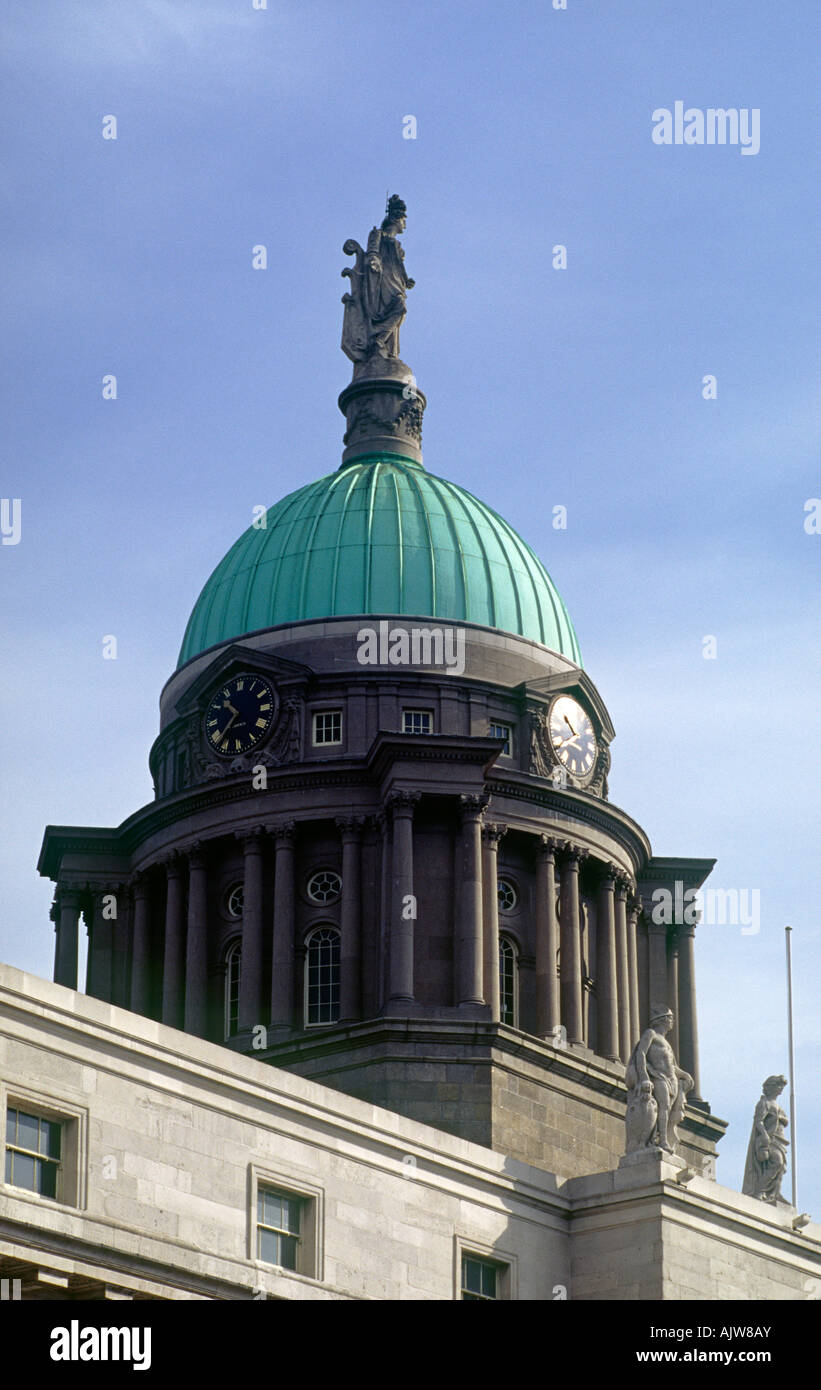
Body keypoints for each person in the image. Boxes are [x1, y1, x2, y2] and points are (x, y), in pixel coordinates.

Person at [742, 1075, 790, 1204]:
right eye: (778, 1085)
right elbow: (759, 1121)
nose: (781, 1088)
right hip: (769, 1139)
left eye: (782, 1086)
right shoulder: (764, 1103)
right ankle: (759, 1190)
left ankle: (774, 1193)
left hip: (780, 1140)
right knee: (777, 1163)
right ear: (770, 1087)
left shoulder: (778, 1106)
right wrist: (764, 1135)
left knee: (781, 1168)